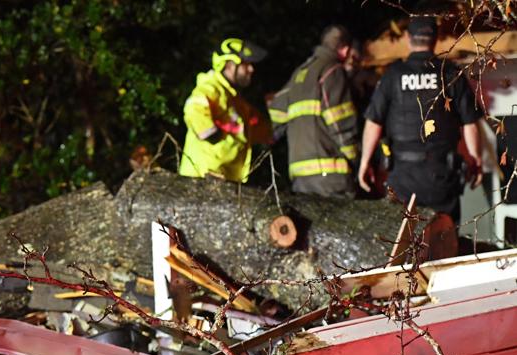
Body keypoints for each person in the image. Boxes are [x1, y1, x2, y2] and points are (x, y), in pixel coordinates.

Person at [357, 16, 484, 223]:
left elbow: (374, 122)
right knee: (444, 240)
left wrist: (365, 162)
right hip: (442, 176)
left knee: (404, 243)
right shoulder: (450, 73)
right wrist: (477, 160)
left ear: (408, 39)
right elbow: (470, 123)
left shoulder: (393, 75)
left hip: (402, 177)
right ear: (435, 40)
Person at [269, 25, 360, 197]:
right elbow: (341, 123)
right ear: (345, 49)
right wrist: (355, 159)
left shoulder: (300, 73)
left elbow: (275, 117)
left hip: (299, 175)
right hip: (331, 176)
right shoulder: (333, 70)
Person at [179, 37, 272, 182]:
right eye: (245, 64)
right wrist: (209, 132)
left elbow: (257, 130)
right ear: (229, 65)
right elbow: (193, 108)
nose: (251, 69)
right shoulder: (211, 87)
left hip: (226, 178)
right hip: (203, 177)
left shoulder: (236, 101)